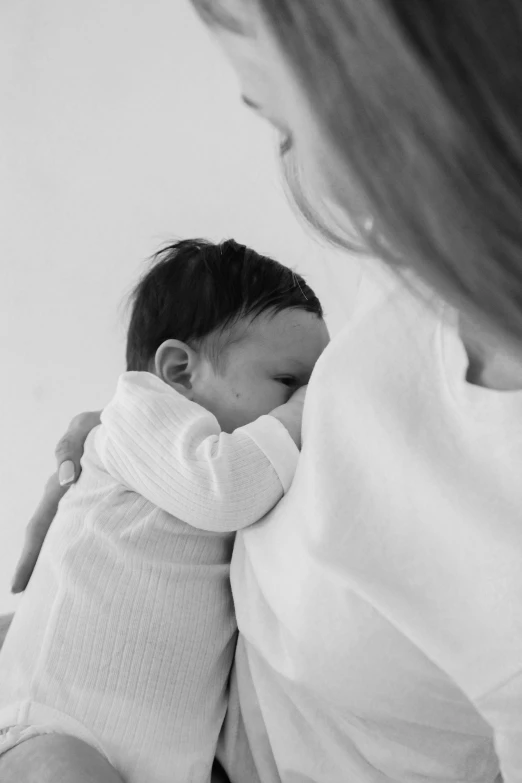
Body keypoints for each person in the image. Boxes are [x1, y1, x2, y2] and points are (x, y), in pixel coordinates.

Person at [5, 1, 522, 781]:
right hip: (99, 719)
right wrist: (136, 452)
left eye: (285, 127)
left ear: (401, 103)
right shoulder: (411, 301)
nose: (302, 182)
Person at [0, 238, 328, 783]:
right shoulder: (136, 414)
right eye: (289, 382)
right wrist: (300, 415)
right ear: (179, 372)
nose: (307, 400)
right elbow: (224, 490)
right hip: (57, 726)